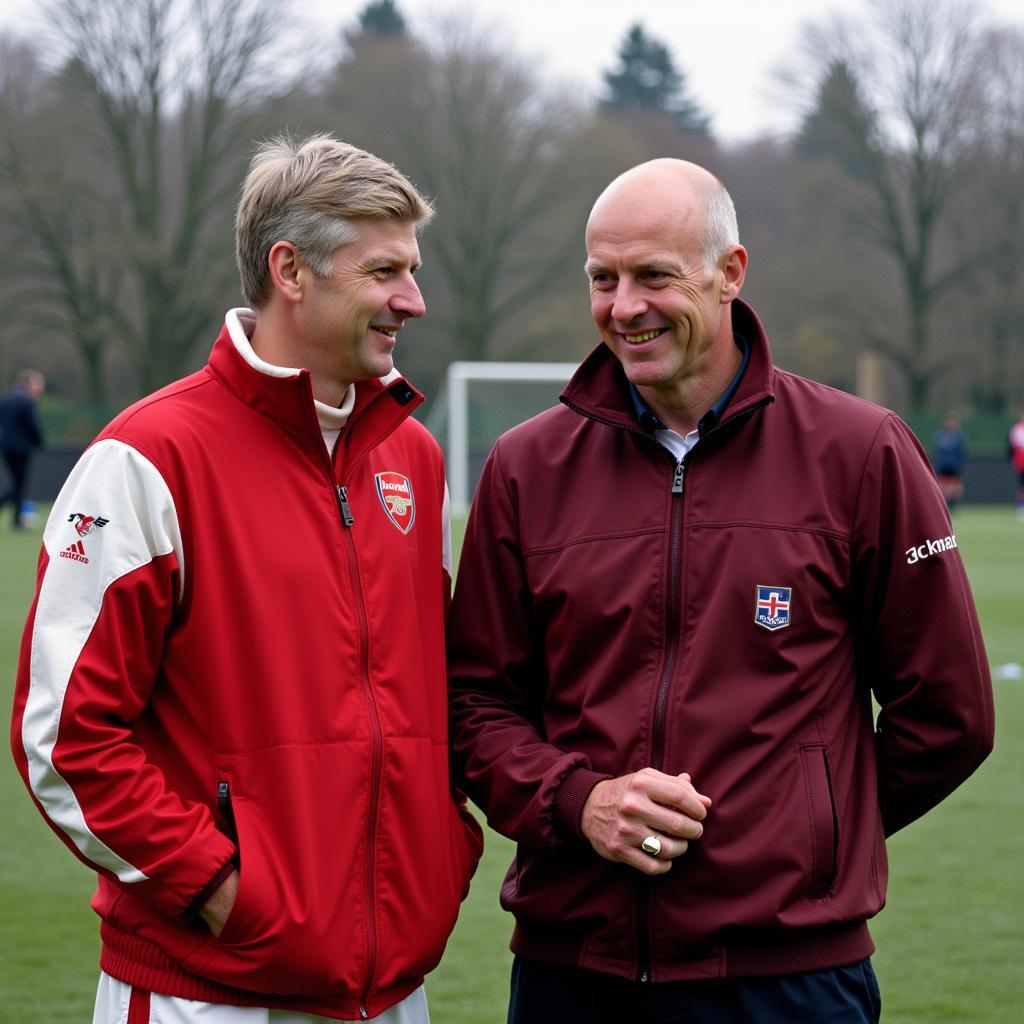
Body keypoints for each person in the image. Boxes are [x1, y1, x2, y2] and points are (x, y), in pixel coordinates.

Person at [447, 159, 994, 1024]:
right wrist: (577, 801)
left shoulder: (861, 452)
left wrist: (803, 835)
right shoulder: (524, 467)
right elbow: (474, 702)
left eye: (654, 275)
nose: (624, 307)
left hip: (792, 982)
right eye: (603, 279)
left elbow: (951, 715)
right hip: (571, 975)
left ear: (730, 274)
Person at [11, 135, 481, 1024]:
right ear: (291, 270)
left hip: (394, 992)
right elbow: (66, 741)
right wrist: (225, 889)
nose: (412, 300)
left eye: (412, 269)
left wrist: (442, 852)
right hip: (209, 989)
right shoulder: (146, 460)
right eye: (385, 270)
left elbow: (438, 697)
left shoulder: (413, 458)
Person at [0, 367, 45, 528]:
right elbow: (32, 426)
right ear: (28, 383)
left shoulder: (5, 399)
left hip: (5, 448)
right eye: (38, 384)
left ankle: (17, 520)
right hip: (21, 449)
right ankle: (17, 521)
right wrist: (40, 442)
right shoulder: (26, 401)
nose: (40, 388)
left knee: (17, 485)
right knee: (19, 485)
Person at [931, 415, 967, 511]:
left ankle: (951, 505)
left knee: (955, 486)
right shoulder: (941, 436)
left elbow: (961, 452)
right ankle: (946, 504)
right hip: (944, 465)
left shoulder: (956, 436)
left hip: (953, 465)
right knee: (945, 486)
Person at [1010, 410, 1024, 521]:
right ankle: (1021, 508)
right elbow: (1014, 446)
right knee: (1021, 487)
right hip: (1021, 463)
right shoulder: (1017, 429)